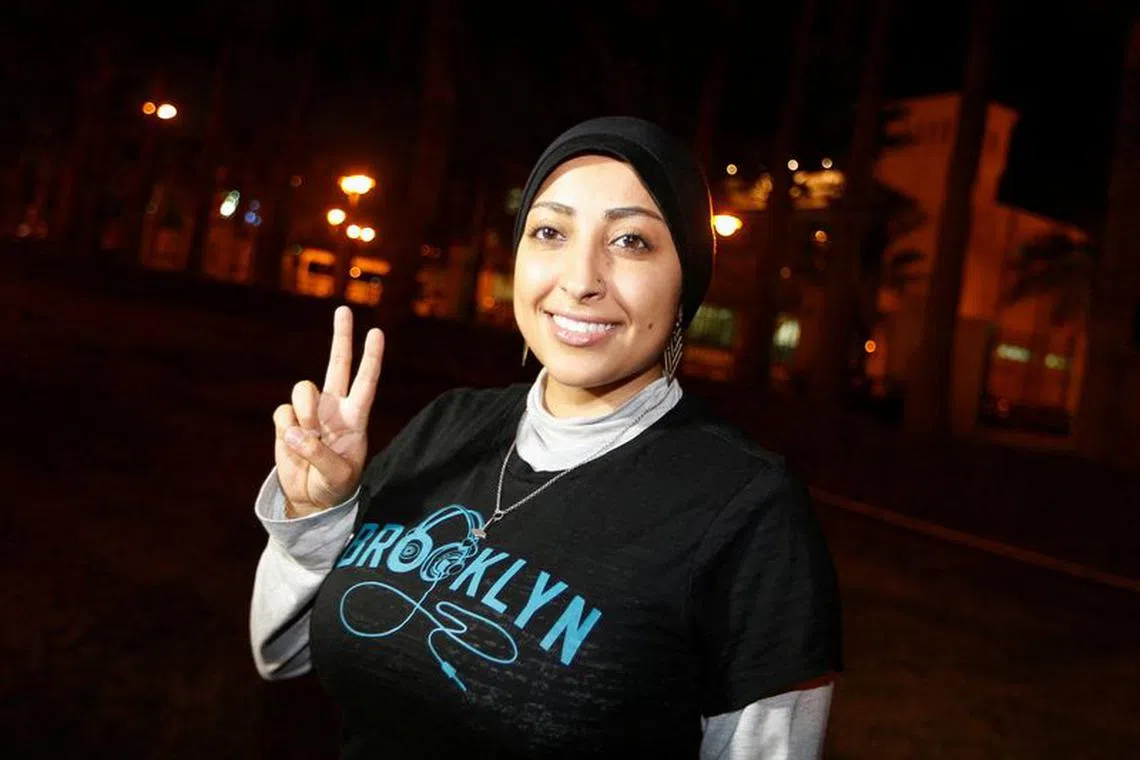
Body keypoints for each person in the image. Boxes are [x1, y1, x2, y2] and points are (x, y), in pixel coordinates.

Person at [250, 116, 842, 759]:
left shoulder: (749, 507)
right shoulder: (447, 426)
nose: (581, 278)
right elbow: (281, 656)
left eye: (632, 241)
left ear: (687, 278)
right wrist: (315, 519)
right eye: (551, 231)